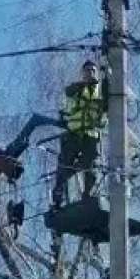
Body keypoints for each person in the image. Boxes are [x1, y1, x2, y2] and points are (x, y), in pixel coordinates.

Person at [52, 59, 107, 209]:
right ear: (83, 73)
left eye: (93, 70)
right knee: (64, 165)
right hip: (74, 133)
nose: (90, 73)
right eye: (87, 70)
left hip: (91, 135)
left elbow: (106, 106)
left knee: (91, 166)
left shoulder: (101, 92)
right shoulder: (75, 90)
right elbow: (67, 97)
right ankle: (57, 198)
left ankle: (88, 195)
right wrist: (81, 85)